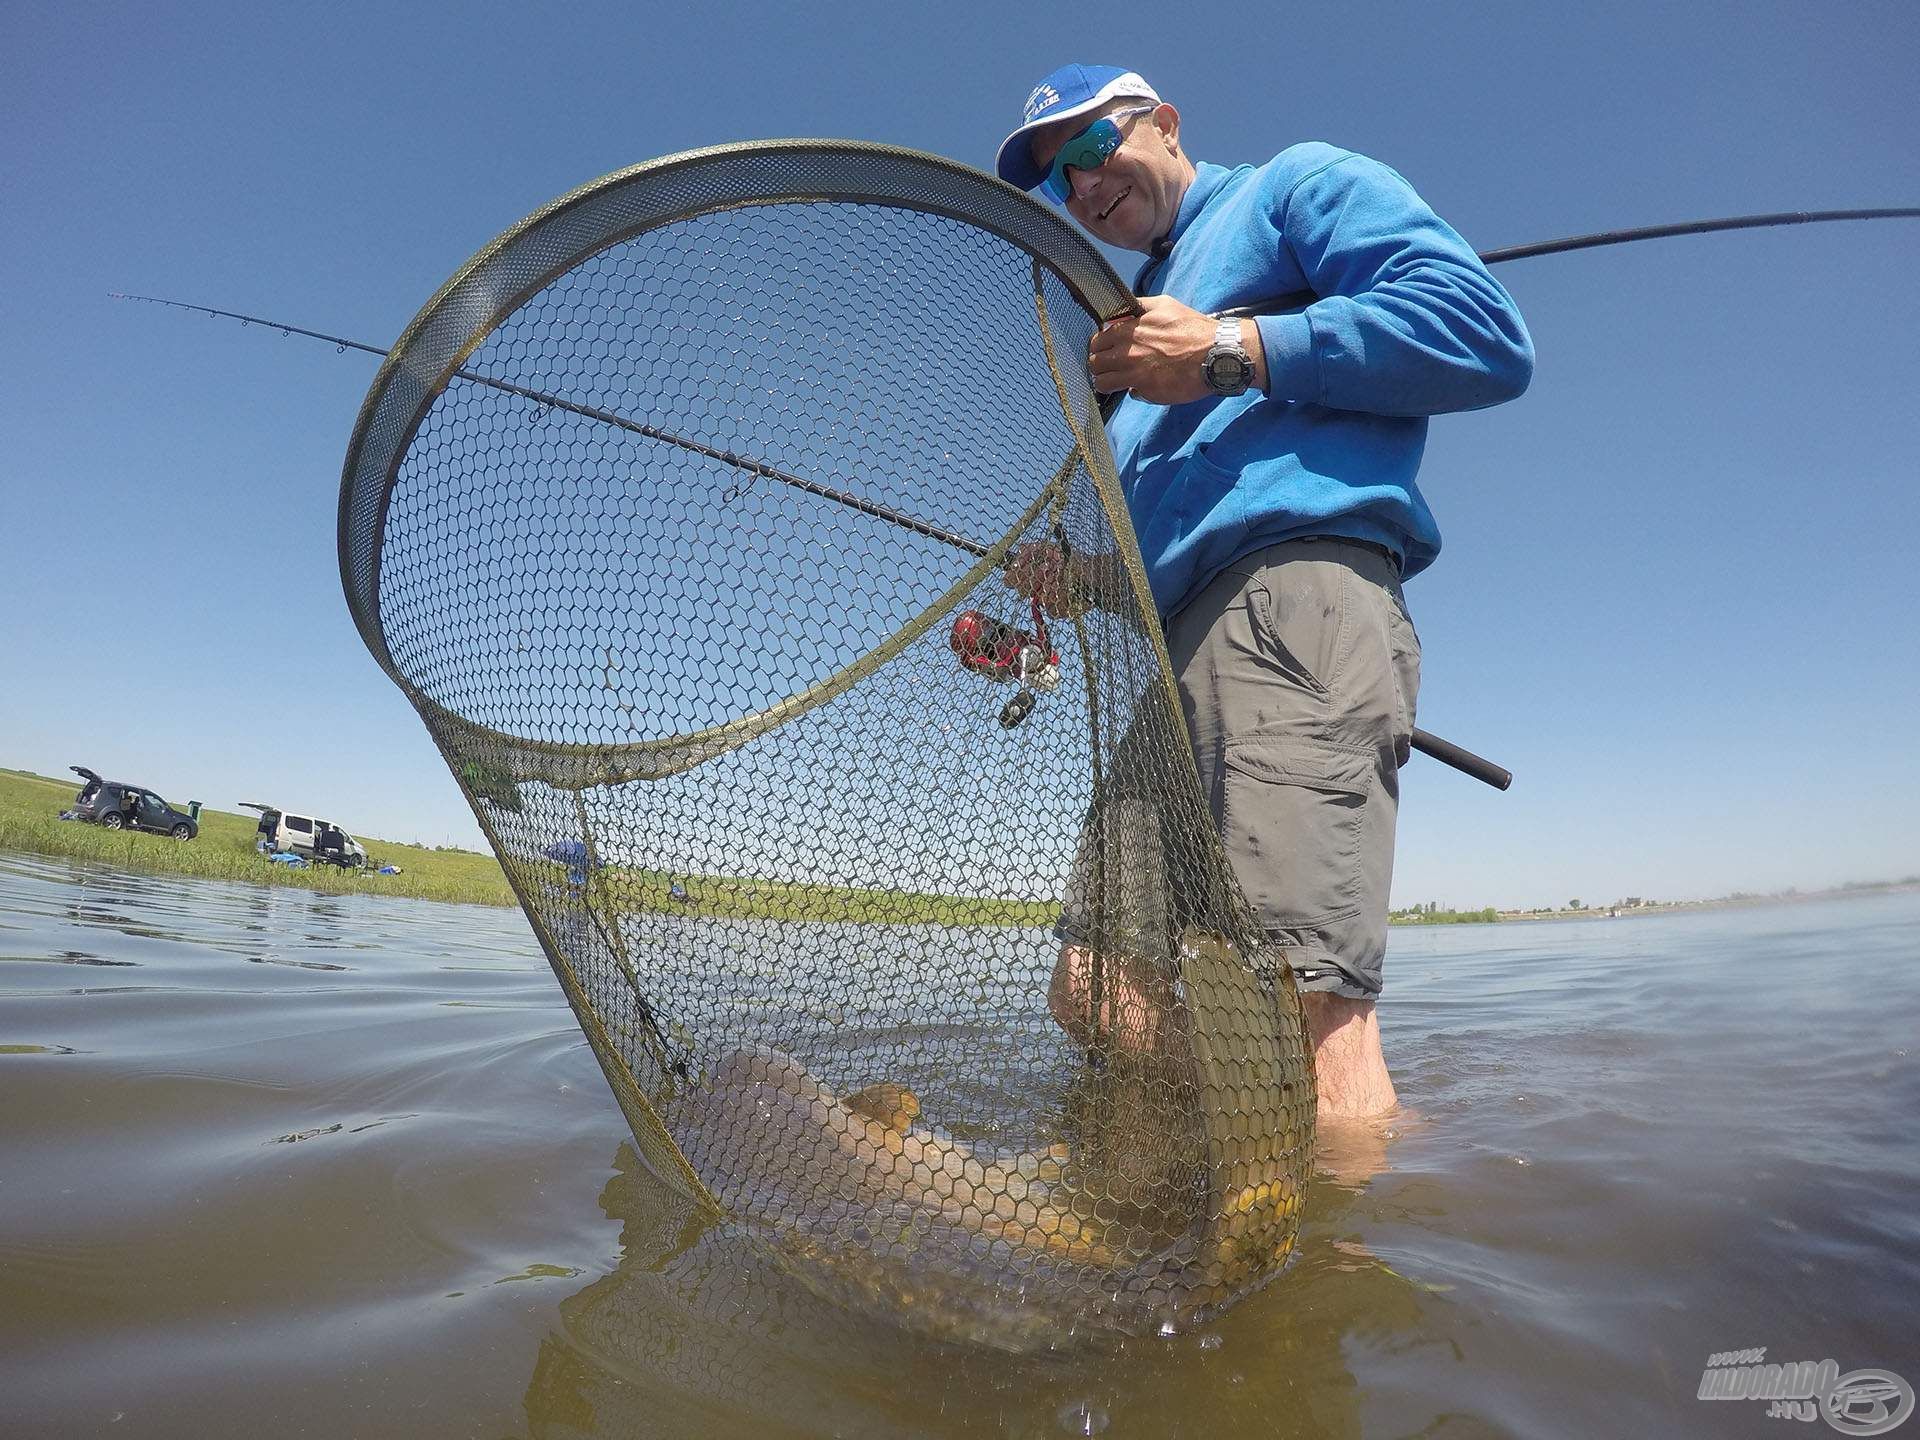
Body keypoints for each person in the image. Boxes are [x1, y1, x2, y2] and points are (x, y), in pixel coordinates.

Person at [994, 65, 1533, 1119]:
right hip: (1174, 649)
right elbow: (1176, 531)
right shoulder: (1131, 334)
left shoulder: (1292, 185)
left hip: (1294, 603)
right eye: (1062, 183)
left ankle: (1328, 1260)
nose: (1085, 189)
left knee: (1304, 1008)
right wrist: (1087, 583)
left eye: (1094, 148)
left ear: (1165, 124)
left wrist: (1232, 350)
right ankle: (1221, 1182)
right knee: (1098, 992)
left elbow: (1483, 332)